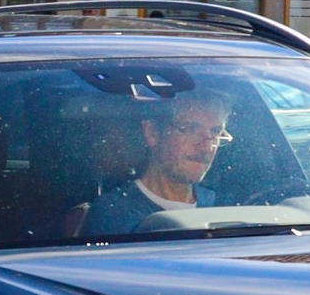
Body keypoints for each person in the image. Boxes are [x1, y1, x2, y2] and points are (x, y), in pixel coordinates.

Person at [84, 90, 230, 236]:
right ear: (152, 132)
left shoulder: (225, 208)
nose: (206, 147)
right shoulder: (115, 215)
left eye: (215, 132)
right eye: (192, 129)